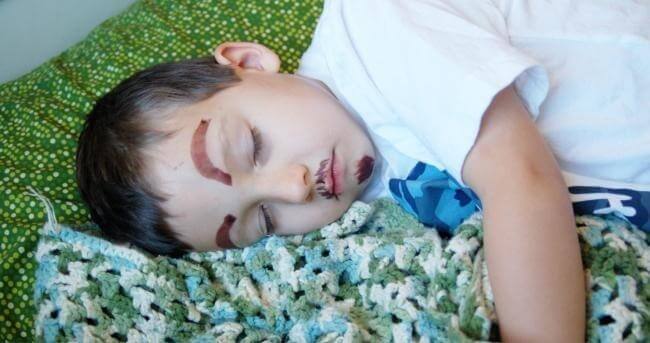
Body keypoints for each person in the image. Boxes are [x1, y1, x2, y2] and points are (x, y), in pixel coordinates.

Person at [76, 0, 650, 341]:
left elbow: (520, 180)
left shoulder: (371, 29)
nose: (294, 187)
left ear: (249, 63)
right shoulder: (374, 211)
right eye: (266, 220)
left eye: (251, 147)